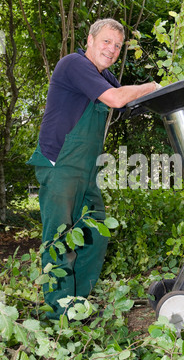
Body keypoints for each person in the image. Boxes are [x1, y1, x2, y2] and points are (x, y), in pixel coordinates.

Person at [27, 18, 158, 320]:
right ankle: (59, 313)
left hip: (86, 171)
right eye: (106, 42)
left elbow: (127, 100)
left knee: (95, 234)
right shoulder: (74, 64)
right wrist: (153, 84)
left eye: (117, 46)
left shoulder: (105, 76)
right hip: (60, 164)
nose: (112, 49)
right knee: (59, 240)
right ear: (89, 39)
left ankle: (77, 304)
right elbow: (115, 99)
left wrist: (162, 95)